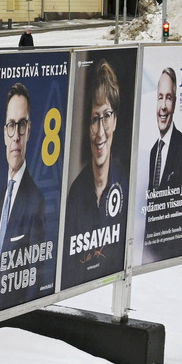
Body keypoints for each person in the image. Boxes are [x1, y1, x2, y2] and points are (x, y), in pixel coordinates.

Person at [0, 83, 50, 314]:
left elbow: (35, 276)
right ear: (4, 133)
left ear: (29, 131)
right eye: (11, 125)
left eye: (22, 125)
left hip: (14, 321)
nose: (16, 136)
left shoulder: (36, 200)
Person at [63, 59, 129, 287]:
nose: (100, 132)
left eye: (106, 116)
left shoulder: (126, 184)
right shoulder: (76, 193)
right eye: (94, 119)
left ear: (115, 120)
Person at [143, 68, 182, 262]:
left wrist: (174, 260)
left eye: (169, 98)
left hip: (170, 255)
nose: (163, 106)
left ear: (175, 102)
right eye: (160, 98)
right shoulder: (153, 151)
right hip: (151, 253)